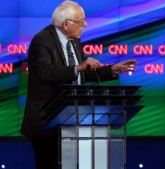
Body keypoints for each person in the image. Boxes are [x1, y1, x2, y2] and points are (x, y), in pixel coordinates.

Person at [20, 1, 138, 169]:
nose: (85, 24)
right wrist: (79, 67)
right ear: (66, 24)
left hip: (72, 120)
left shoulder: (73, 41)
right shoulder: (42, 41)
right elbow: (45, 73)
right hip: (47, 122)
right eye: (81, 21)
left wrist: (111, 70)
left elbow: (82, 72)